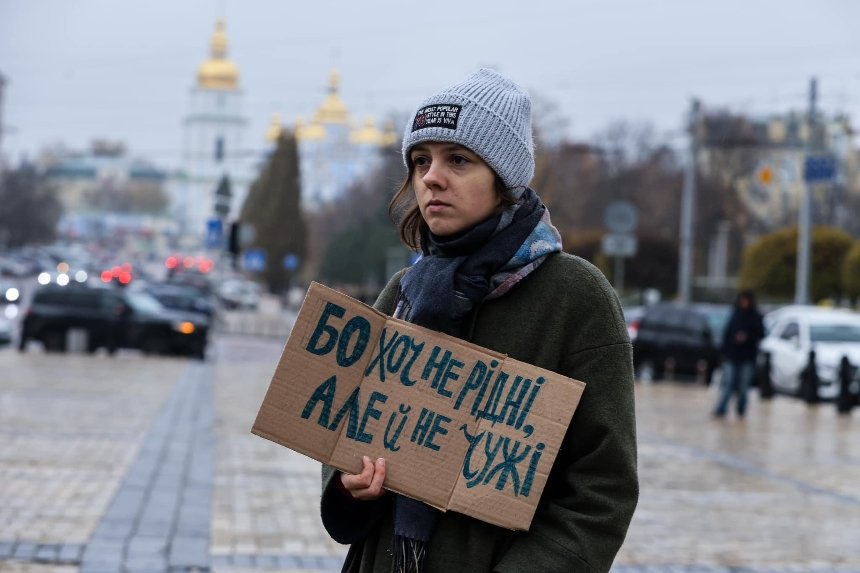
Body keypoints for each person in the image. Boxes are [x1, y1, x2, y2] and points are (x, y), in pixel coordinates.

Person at [320, 68, 638, 573]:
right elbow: (345, 436)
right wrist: (348, 484)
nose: (431, 178)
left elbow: (602, 492)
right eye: (421, 161)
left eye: (458, 160)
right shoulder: (400, 293)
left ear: (504, 178)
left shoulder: (575, 298)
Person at [713, 290, 765, 418]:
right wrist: (724, 353)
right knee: (728, 384)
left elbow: (760, 335)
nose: (744, 303)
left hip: (748, 358)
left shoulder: (755, 317)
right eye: (742, 300)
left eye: (746, 300)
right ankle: (721, 409)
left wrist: (746, 337)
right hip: (732, 356)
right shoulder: (735, 315)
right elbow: (727, 335)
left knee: (743, 387)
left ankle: (741, 410)